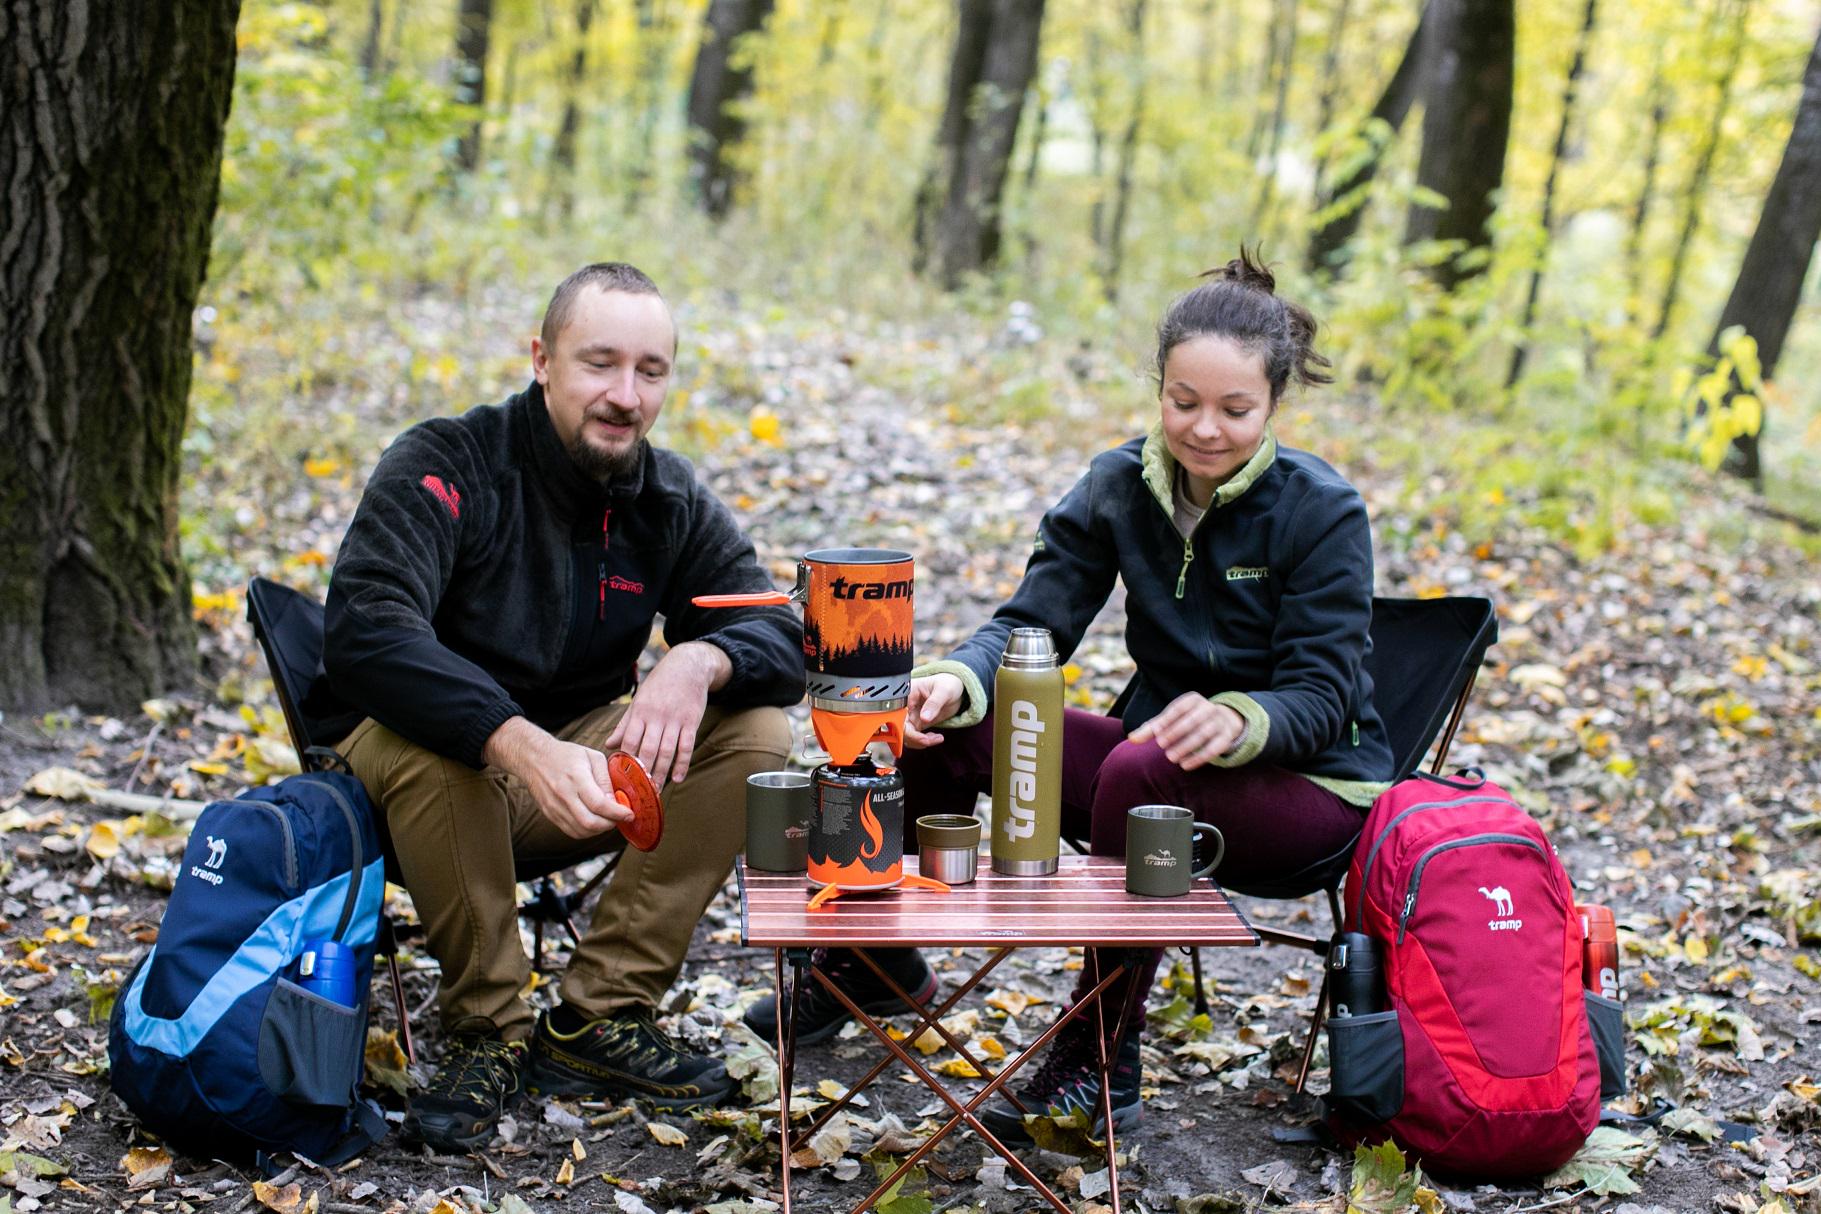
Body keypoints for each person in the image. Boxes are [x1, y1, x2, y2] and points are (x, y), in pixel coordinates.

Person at [745, 250, 1393, 1141]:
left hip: (1308, 789)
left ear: (1273, 402)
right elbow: (1032, 625)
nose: (1204, 429)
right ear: (1158, 387)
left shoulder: (1320, 510)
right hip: (1153, 769)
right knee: (940, 727)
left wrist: (1240, 716)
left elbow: (1322, 695)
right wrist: (955, 677)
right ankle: (874, 960)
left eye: (1235, 410)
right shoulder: (1119, 486)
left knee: (1139, 768)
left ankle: (1098, 1053)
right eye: (1183, 402)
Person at [324, 262, 800, 1153]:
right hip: (400, 783)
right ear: (541, 361)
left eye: (650, 371)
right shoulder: (447, 462)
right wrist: (514, 741)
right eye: (599, 363)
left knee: (756, 731)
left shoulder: (665, 497)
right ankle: (487, 1031)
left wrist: (699, 659)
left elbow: (781, 632)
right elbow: (365, 630)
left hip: (570, 779)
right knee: (441, 748)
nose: (625, 395)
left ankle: (598, 1016)